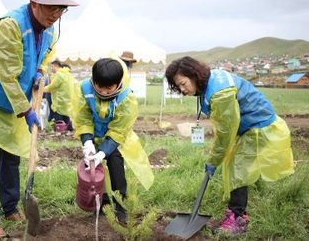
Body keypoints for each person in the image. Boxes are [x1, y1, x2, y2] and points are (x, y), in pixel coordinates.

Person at [0, 0, 78, 240]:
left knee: (11, 156)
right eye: (52, 6)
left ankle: (9, 206)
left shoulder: (51, 28)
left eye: (61, 8)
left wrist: (41, 73)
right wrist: (26, 110)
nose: (57, 13)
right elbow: (5, 74)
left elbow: (47, 54)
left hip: (16, 102)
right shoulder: (10, 26)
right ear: (34, 2)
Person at [165, 56, 294, 234]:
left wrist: (213, 159)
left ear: (194, 75)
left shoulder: (220, 94)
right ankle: (235, 211)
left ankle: (238, 219)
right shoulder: (210, 80)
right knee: (237, 165)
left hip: (259, 127)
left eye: (183, 83)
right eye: (178, 86)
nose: (182, 89)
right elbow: (226, 126)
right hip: (247, 126)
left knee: (238, 169)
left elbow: (226, 132)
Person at [74, 58, 154, 223]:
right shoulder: (85, 89)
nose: (103, 92)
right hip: (94, 135)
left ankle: (121, 205)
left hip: (116, 138)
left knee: (115, 164)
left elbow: (118, 129)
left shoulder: (126, 98)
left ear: (118, 83)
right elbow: (83, 117)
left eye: (108, 88)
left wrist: (104, 151)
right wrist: (87, 141)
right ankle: (101, 203)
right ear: (93, 81)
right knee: (94, 170)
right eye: (99, 87)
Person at [43, 61, 77, 131]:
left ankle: (60, 134)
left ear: (57, 66)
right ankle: (69, 132)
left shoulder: (59, 74)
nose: (51, 68)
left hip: (60, 102)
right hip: (67, 102)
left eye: (52, 66)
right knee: (66, 118)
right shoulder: (68, 74)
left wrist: (42, 89)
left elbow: (53, 86)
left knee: (59, 121)